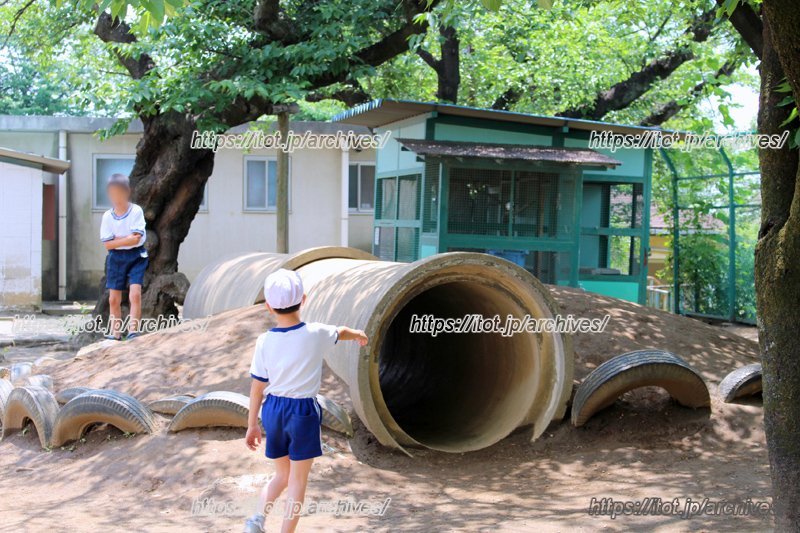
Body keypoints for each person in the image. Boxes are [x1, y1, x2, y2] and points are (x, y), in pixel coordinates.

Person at [243, 269, 368, 533]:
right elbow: (341, 331)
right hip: (302, 413)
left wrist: (251, 424)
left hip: (273, 410)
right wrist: (357, 333)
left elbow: (256, 388)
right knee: (298, 481)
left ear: (268, 306)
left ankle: (257, 519)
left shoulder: (264, 341)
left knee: (281, 475)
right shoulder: (315, 333)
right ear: (304, 300)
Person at [99, 173, 148, 340]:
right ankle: (116, 333)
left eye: (119, 192)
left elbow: (137, 238)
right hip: (115, 258)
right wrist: (127, 239)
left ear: (127, 192)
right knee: (113, 298)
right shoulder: (107, 216)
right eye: (112, 193)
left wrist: (118, 240)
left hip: (136, 256)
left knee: (134, 293)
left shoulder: (136, 211)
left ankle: (133, 331)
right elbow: (107, 244)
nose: (116, 196)